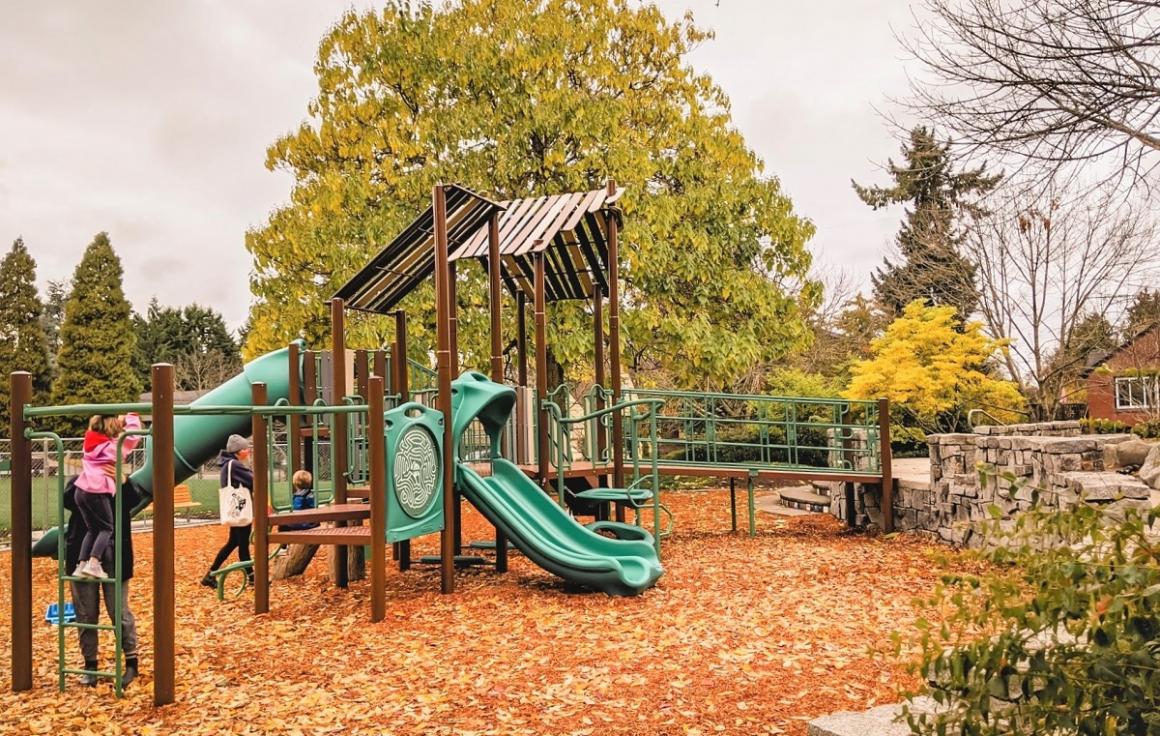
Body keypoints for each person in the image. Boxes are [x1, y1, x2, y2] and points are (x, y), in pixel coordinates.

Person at [64, 476, 141, 687]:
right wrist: (87, 478)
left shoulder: (121, 481)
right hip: (81, 554)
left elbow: (134, 499)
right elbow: (68, 500)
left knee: (118, 610)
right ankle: (90, 665)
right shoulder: (80, 481)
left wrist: (121, 479)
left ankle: (131, 662)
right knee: (86, 613)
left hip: (115, 552)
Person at [73, 414, 142, 579]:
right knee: (107, 528)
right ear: (114, 429)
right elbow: (133, 436)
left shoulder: (89, 444)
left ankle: (81, 565)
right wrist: (130, 417)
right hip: (97, 489)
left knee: (93, 529)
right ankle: (94, 563)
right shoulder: (114, 447)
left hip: (81, 489)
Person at [202, 434, 254, 588]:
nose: (248, 451)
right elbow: (253, 481)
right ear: (237, 451)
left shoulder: (228, 464)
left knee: (234, 542)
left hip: (235, 508)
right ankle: (252, 578)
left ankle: (210, 575)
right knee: (242, 544)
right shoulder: (235, 465)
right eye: (245, 449)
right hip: (240, 508)